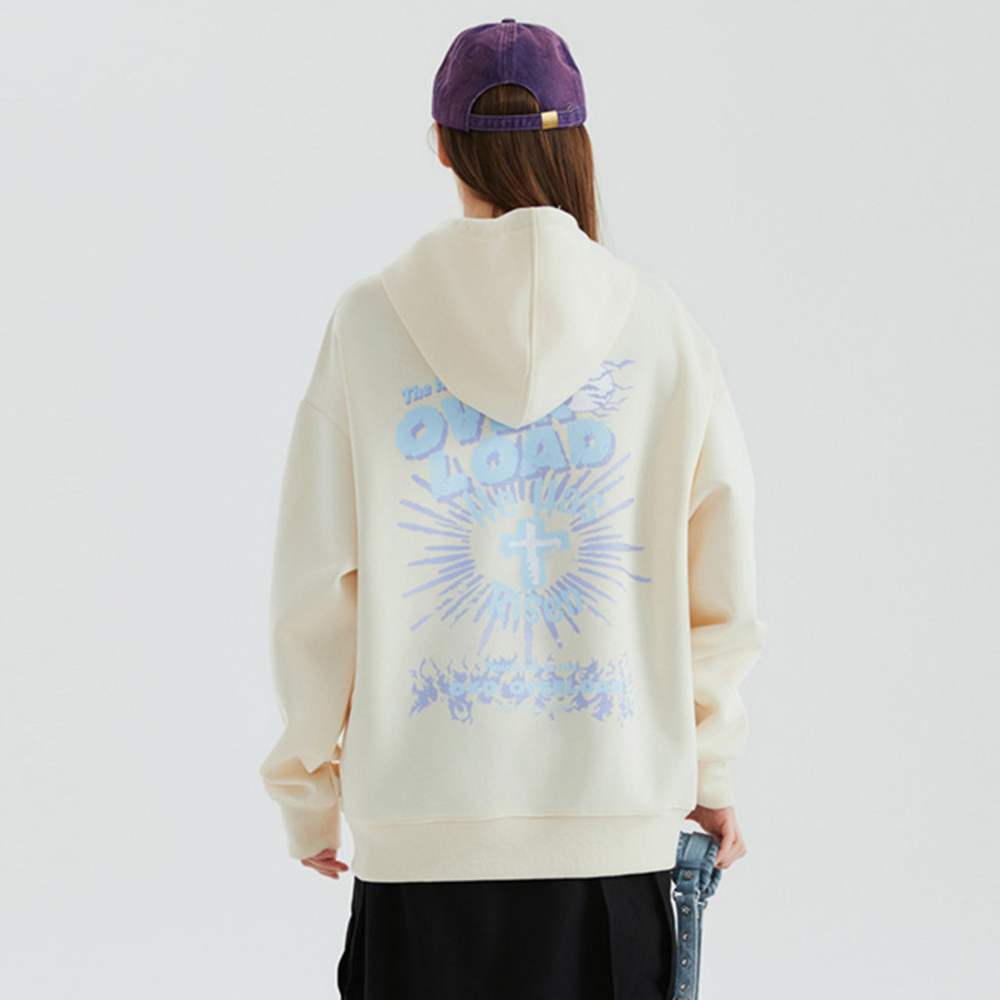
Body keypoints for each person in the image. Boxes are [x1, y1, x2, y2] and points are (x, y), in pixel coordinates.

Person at [258, 18, 766, 1000]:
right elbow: (721, 582)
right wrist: (708, 770)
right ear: (577, 144)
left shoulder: (369, 325)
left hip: (420, 848)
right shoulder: (661, 329)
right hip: (612, 848)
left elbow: (315, 586)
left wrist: (307, 791)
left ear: (443, 146)